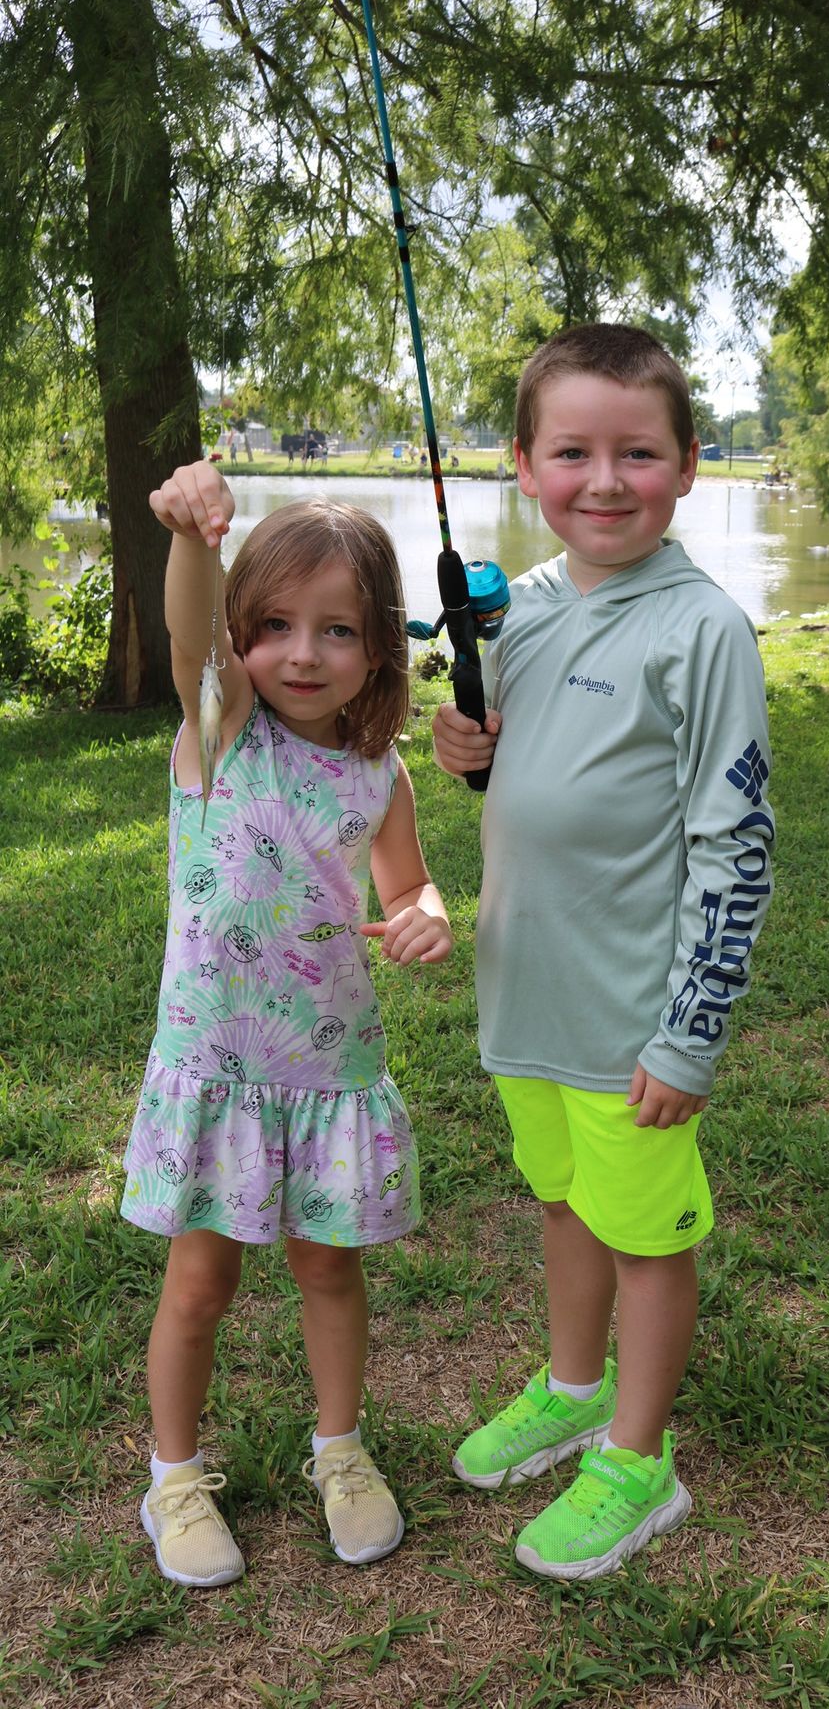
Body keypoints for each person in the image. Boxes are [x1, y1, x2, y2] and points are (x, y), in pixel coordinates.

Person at [432, 323, 774, 1580]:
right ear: (526, 467)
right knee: (564, 1206)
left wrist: (691, 1033)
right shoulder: (514, 614)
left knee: (647, 1241)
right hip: (528, 999)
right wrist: (460, 745)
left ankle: (638, 1460)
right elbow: (515, 765)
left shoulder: (705, 632)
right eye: (573, 451)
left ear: (687, 464)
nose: (606, 481)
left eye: (638, 452)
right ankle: (575, 1387)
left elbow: (736, 854)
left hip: (633, 1024)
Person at [123, 460, 452, 1588]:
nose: (302, 654)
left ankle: (342, 1452)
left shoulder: (380, 773)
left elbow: (409, 887)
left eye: (338, 630)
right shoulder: (220, 731)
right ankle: (173, 1476)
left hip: (328, 1070)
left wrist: (426, 916)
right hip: (218, 1067)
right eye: (272, 625)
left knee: (329, 1272)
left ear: (377, 648)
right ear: (238, 634)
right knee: (198, 1283)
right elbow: (188, 640)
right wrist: (189, 537)